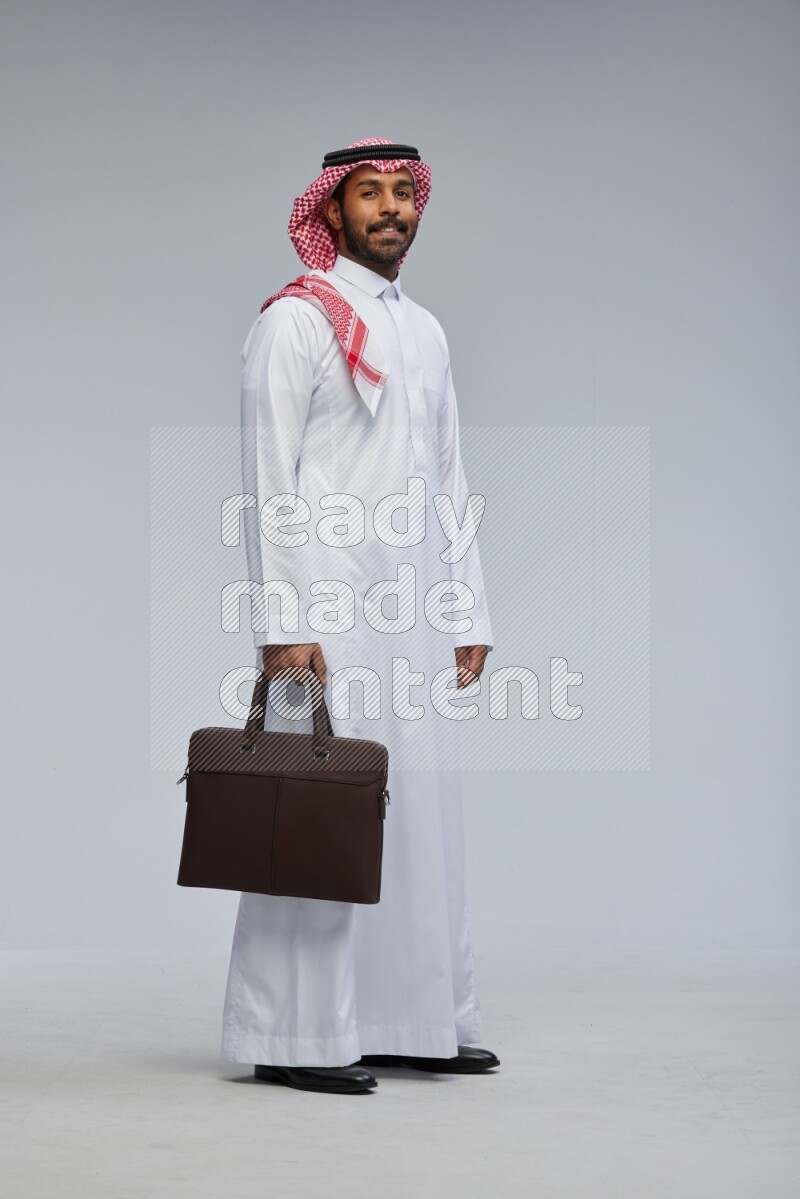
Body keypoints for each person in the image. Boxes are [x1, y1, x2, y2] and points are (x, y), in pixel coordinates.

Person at [221, 137, 500, 1094]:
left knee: (417, 809)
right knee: (317, 809)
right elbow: (268, 480)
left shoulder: (425, 331)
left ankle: (409, 1019)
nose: (390, 209)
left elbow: (449, 476)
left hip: (414, 609)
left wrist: (467, 607)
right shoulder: (296, 320)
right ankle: (293, 1034)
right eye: (369, 193)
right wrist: (282, 624)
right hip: (328, 610)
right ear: (332, 212)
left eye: (402, 193)